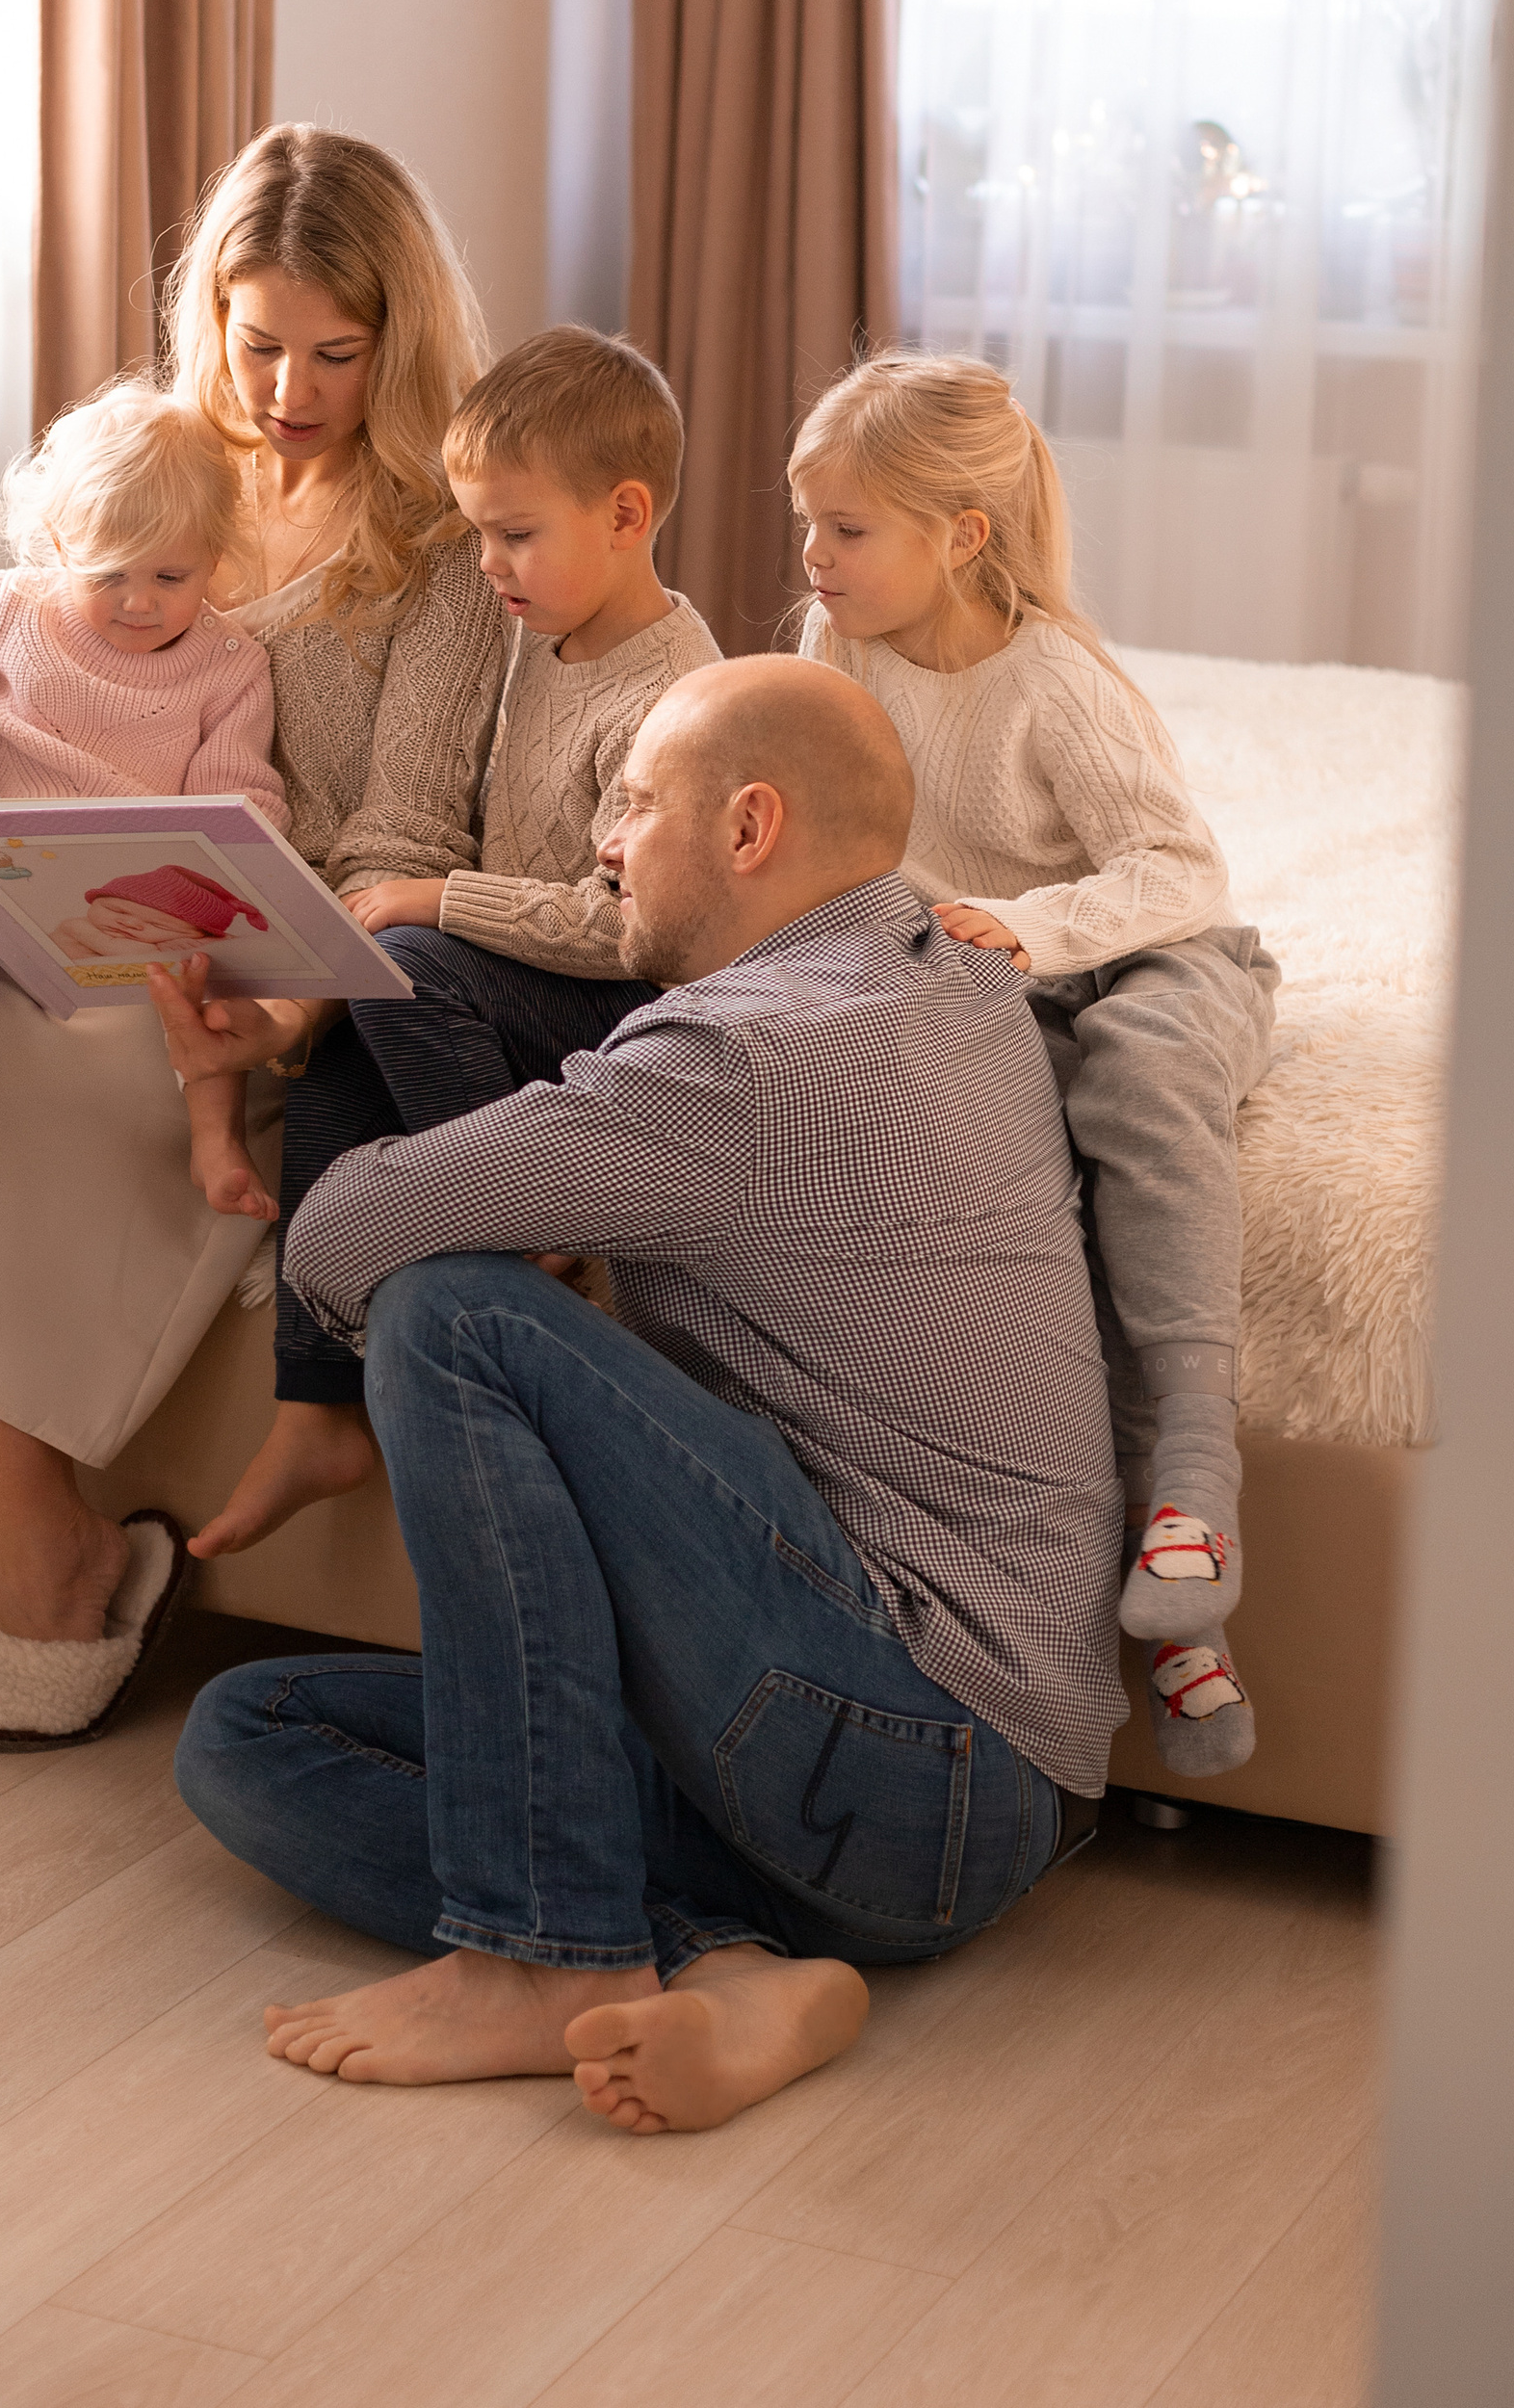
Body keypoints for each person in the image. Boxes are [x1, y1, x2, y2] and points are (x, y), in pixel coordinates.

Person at [169, 657, 1123, 2135]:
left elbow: (344, 1236)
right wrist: (548, 1171)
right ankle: (723, 1960)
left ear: (748, 828)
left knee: (452, 1310)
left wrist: (384, 1115)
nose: (602, 843)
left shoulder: (738, 1061)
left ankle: (538, 1953)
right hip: (967, 1783)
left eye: (630, 803)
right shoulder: (948, 972)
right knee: (251, 1730)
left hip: (908, 1743)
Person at [0, 124, 506, 1752]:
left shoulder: (441, 544)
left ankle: (47, 1568)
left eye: (336, 353)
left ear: (398, 343)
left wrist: (281, 1010)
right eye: (257, 342)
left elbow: (403, 833)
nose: (287, 386)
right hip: (41, 927)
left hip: (244, 980)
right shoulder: (152, 471)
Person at [791, 352, 1277, 1775]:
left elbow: (1180, 866)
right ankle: (1183, 1621)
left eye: (849, 530)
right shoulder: (842, 654)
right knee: (1025, 1177)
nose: (814, 557)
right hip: (1001, 971)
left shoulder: (1052, 678)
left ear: (965, 536)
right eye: (806, 522)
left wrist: (1020, 924)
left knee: (1135, 1084)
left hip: (1156, 948)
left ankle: (1197, 1460)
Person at [187, 326, 721, 1563]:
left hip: (611, 1005)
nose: (486, 565)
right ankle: (316, 1399)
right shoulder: (543, 631)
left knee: (403, 966)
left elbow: (638, 927)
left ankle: (530, 1228)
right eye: (478, 533)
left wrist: (444, 897)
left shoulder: (671, 696)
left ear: (627, 512)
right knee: (347, 1033)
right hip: (518, 987)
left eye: (513, 533)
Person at [0, 377, 284, 1222]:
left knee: (213, 971)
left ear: (215, 558)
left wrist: (236, 851)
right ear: (56, 542)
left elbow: (242, 791)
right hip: (1, 868)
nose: (140, 600)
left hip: (138, 891)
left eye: (171, 574)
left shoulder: (230, 663)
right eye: (108, 573)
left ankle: (215, 1140)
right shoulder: (6, 608)